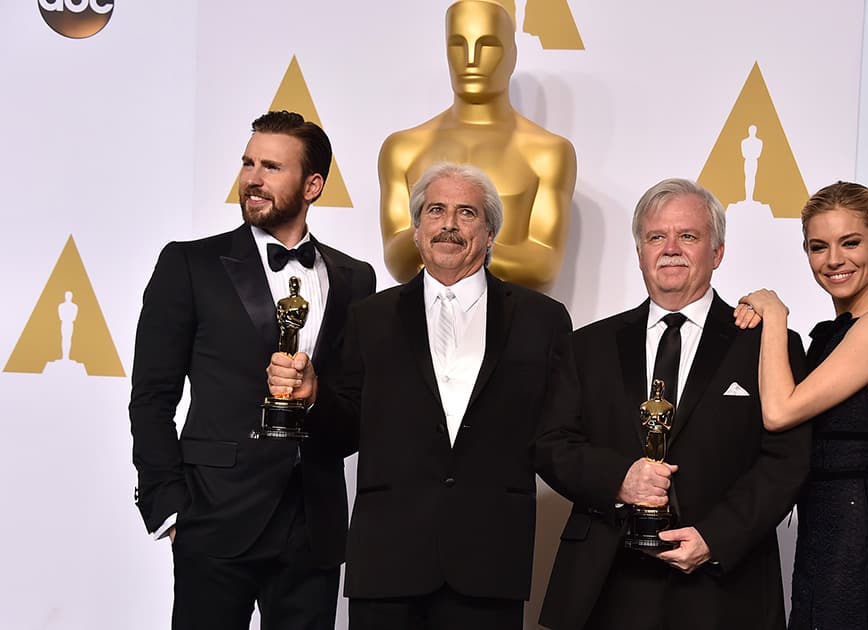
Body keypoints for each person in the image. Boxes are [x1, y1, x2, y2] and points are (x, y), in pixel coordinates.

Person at [269, 161, 572, 630]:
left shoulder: (542, 320)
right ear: (416, 230)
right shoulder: (370, 317)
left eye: (467, 212)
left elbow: (558, 435)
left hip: (489, 562)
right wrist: (313, 398)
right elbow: (344, 431)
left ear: (490, 232)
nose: (449, 224)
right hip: (387, 563)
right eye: (436, 210)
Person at [129, 110, 375, 630]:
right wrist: (170, 506)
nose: (252, 178)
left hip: (314, 527)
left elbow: (356, 413)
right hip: (213, 519)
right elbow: (152, 396)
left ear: (313, 185)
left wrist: (314, 396)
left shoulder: (356, 278)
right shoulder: (189, 265)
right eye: (247, 163)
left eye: (271, 167)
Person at [534, 177, 812, 630]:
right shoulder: (588, 346)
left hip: (723, 584)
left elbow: (786, 460)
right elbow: (551, 444)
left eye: (688, 236)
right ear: (640, 252)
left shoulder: (766, 343)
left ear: (717, 252)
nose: (670, 248)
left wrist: (714, 538)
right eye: (655, 237)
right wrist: (619, 479)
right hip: (607, 582)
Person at [736, 181, 868, 629]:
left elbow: (780, 412)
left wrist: (774, 315)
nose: (834, 259)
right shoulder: (840, 329)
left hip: (859, 536)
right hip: (824, 532)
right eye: (819, 246)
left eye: (850, 242)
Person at [378, 0, 577, 290]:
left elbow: (543, 265)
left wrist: (449, 248)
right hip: (419, 323)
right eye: (458, 45)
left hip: (510, 324)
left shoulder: (549, 153)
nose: (471, 59)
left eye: (488, 46)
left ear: (512, 55)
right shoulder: (403, 149)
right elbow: (397, 261)